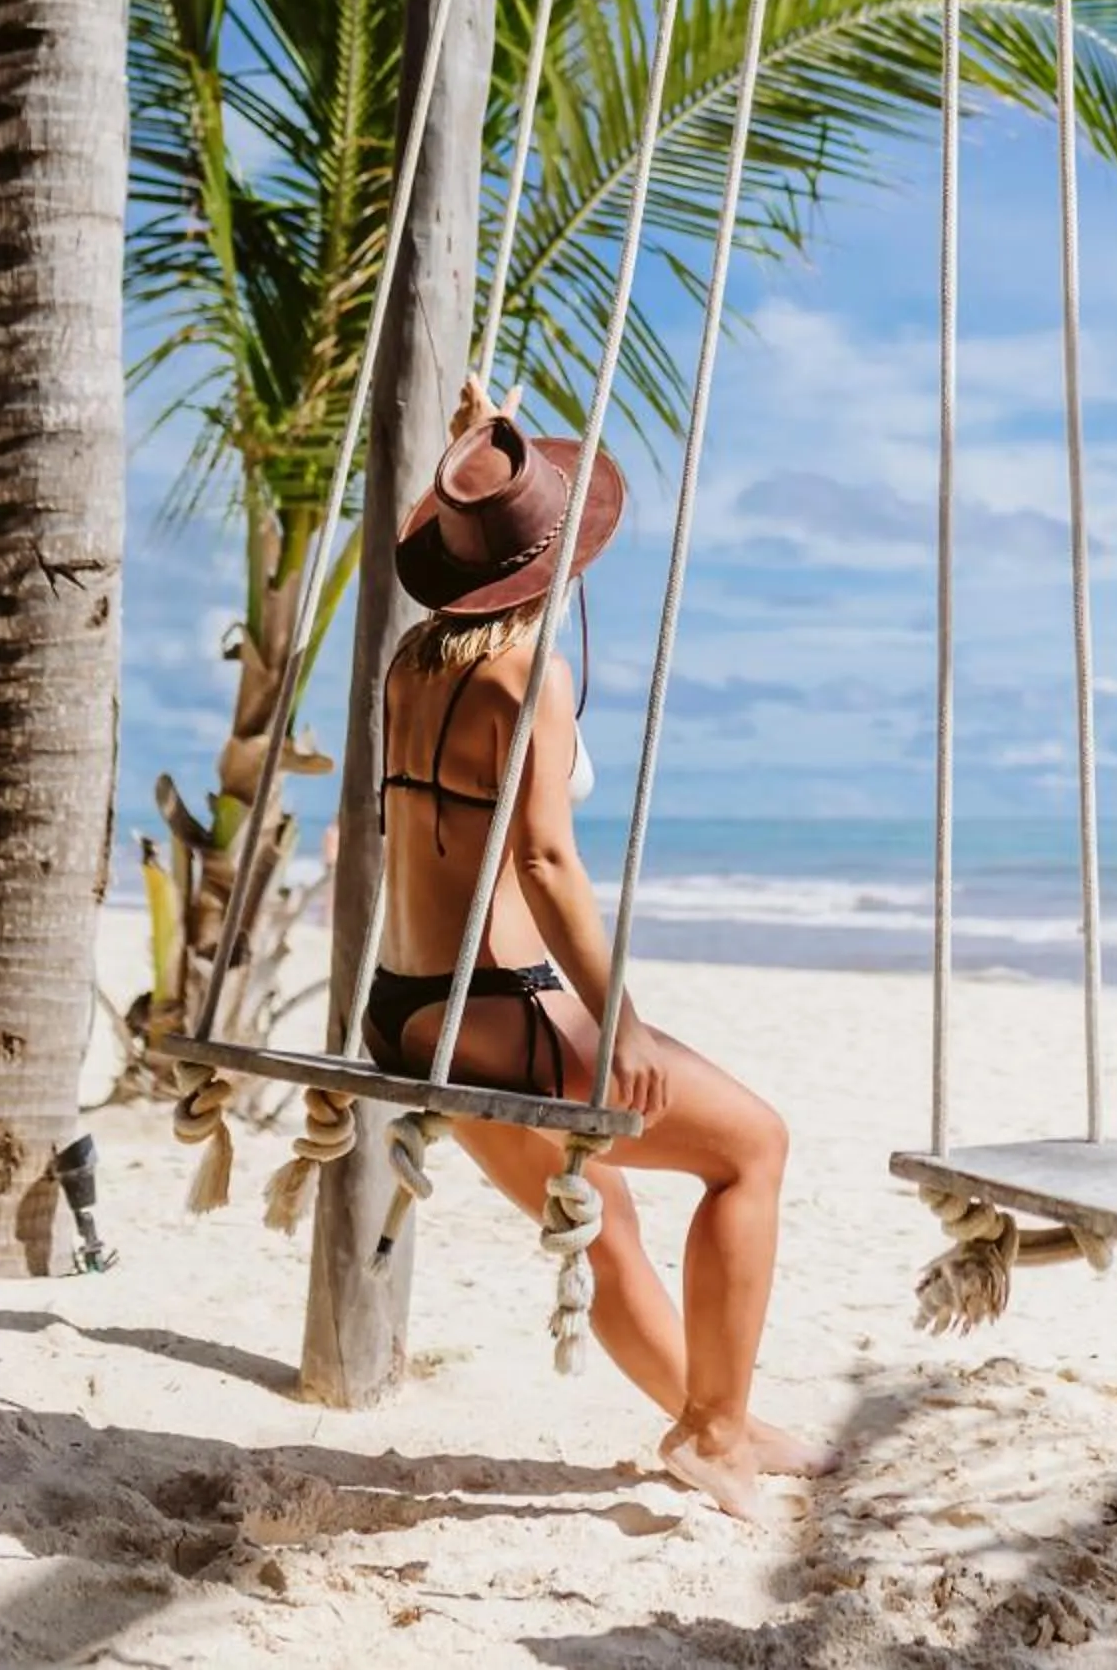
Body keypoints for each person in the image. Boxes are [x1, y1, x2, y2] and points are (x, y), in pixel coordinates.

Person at [368, 378, 816, 1521]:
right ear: (556, 560)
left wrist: (485, 426)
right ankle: (714, 1432)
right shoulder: (529, 676)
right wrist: (617, 1021)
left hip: (408, 1003)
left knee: (605, 1213)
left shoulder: (411, 665)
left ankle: (712, 1415)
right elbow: (546, 866)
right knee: (750, 1147)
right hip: (503, 1007)